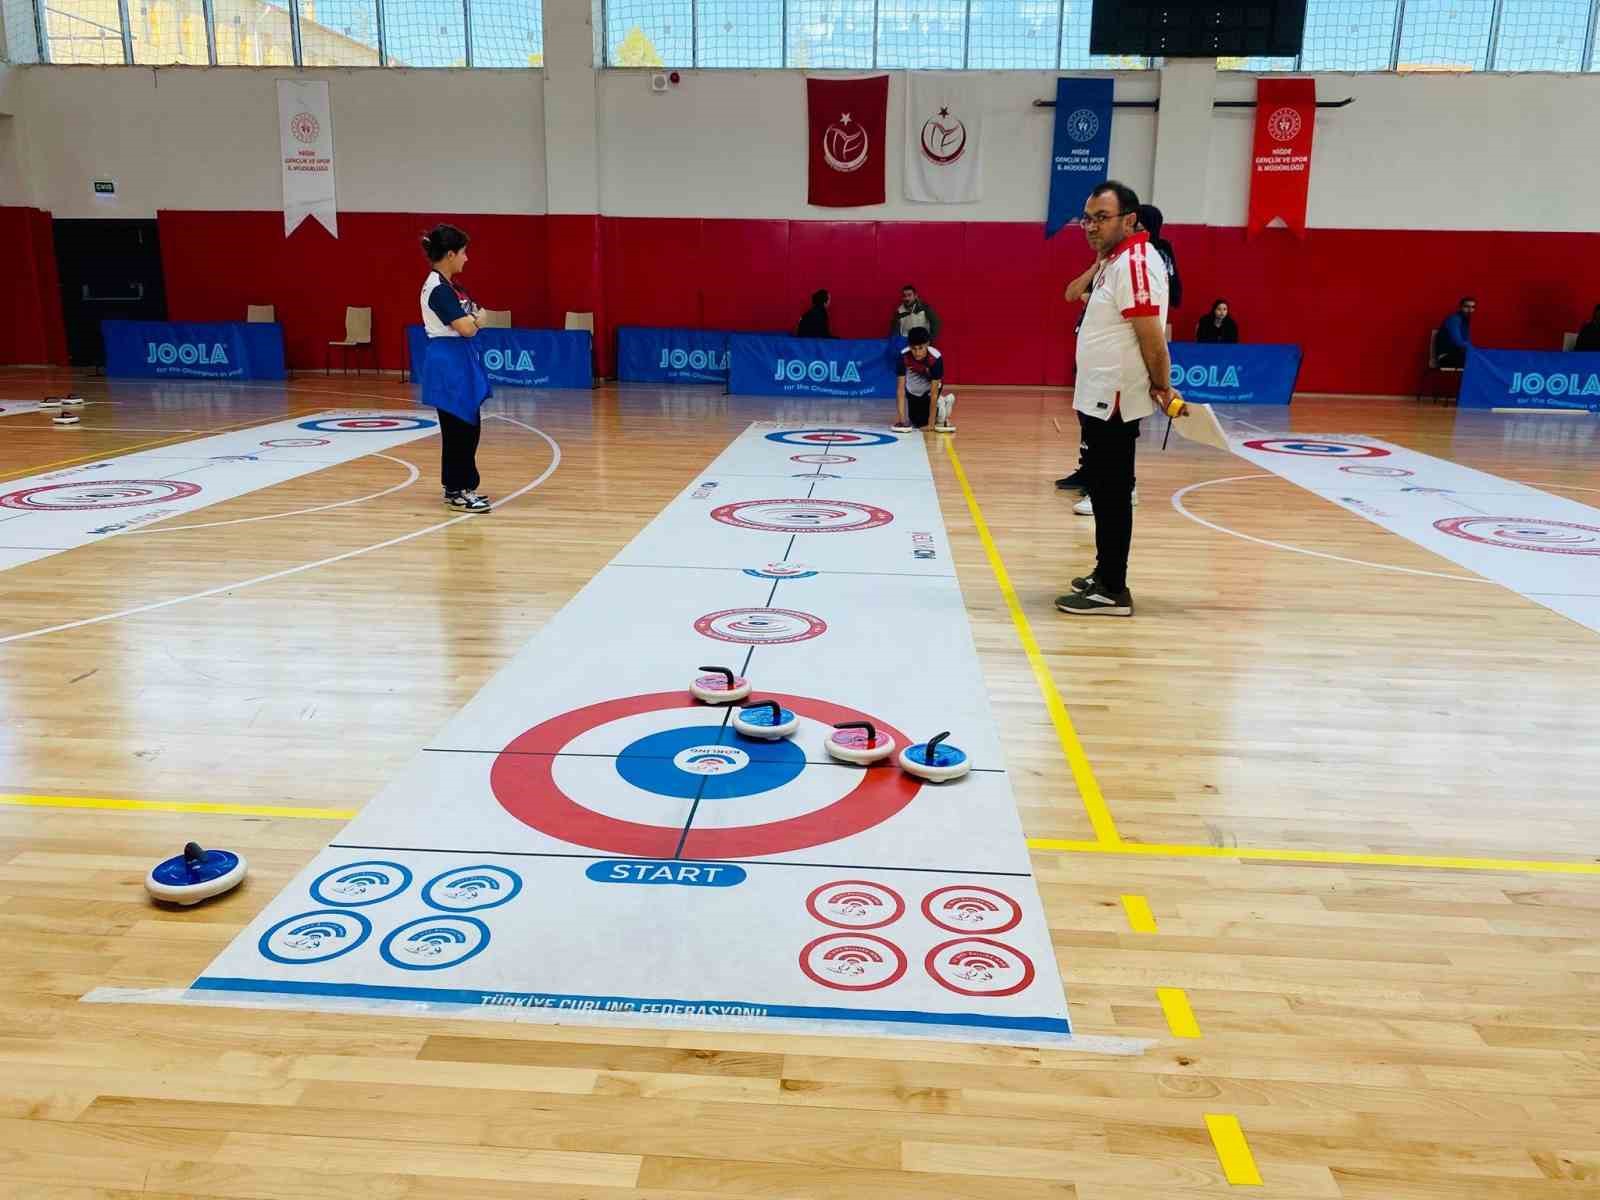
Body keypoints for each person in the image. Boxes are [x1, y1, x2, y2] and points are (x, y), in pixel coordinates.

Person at [1056, 180, 1173, 618]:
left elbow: (1152, 338)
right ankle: (1104, 572)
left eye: (1101, 218)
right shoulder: (1115, 260)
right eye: (1086, 218)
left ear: (1129, 219)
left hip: (1117, 399)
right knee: (1103, 491)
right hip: (1099, 395)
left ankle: (1113, 589)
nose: (1090, 225)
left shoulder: (1138, 263)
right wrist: (1101, 255)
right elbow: (1073, 294)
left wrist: (1162, 385)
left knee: (1113, 492)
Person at [418, 224, 492, 512]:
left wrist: (474, 320)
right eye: (463, 252)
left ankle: (463, 486)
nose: (467, 258)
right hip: (448, 361)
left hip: (459, 358)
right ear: (450, 254)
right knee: (458, 426)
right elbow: (467, 327)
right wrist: (479, 321)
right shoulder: (438, 290)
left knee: (469, 424)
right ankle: (456, 489)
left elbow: (470, 318)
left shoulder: (451, 286)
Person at [892, 327, 950, 433]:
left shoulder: (935, 358)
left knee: (924, 422)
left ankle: (941, 404)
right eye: (913, 348)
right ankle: (940, 406)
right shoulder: (903, 356)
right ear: (909, 346)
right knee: (915, 421)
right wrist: (901, 421)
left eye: (920, 348)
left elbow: (933, 394)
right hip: (913, 390)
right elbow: (900, 390)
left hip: (929, 391)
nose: (917, 352)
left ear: (927, 344)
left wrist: (931, 424)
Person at [1436, 297, 1476, 368]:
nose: (1470, 310)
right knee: (1477, 362)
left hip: (1458, 355)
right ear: (1460, 307)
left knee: (1479, 360)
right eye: (1466, 307)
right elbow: (1458, 342)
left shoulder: (1467, 323)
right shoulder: (1454, 319)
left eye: (1473, 307)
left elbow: (1467, 344)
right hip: (1446, 357)